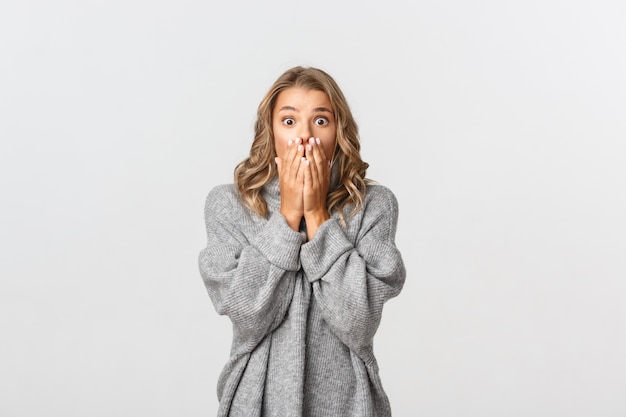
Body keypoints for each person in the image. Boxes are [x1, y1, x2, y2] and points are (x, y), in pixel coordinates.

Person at [198, 66, 406, 417]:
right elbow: (247, 315)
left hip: (348, 403)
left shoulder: (373, 205)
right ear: (271, 130)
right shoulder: (229, 204)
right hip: (256, 402)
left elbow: (359, 322)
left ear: (339, 130)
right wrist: (289, 214)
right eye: (289, 121)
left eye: (321, 121)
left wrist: (318, 213)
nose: (305, 136)